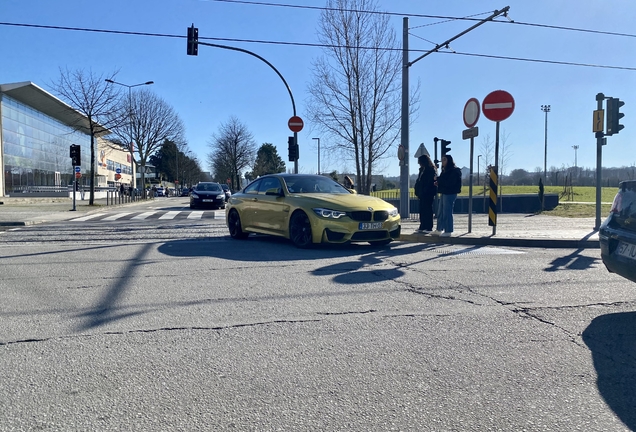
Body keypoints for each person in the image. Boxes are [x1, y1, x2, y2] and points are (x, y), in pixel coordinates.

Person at [433, 154, 462, 237]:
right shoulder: (445, 170)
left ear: (449, 160)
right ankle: (439, 229)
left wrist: (438, 180)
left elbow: (450, 182)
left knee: (447, 212)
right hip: (444, 192)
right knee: (440, 212)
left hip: (450, 193)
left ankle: (448, 230)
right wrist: (438, 183)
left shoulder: (454, 170)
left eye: (444, 159)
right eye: (442, 159)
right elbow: (444, 181)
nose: (442, 161)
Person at [414, 154, 437, 233]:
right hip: (422, 193)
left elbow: (429, 182)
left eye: (420, 162)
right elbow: (419, 181)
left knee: (428, 209)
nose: (419, 163)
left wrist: (424, 190)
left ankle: (428, 227)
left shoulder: (430, 170)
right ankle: (422, 225)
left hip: (428, 193)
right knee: (422, 209)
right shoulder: (421, 170)